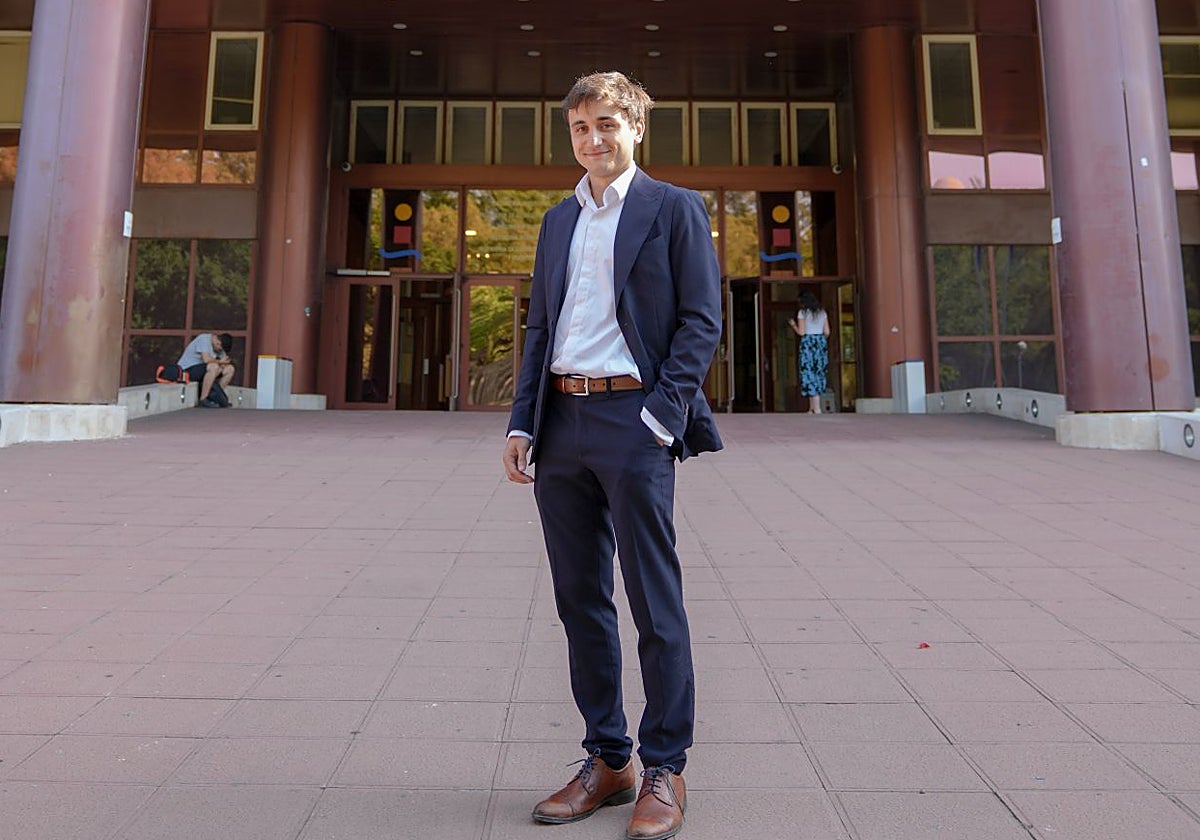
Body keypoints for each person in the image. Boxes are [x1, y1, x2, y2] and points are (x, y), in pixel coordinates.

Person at [502, 71, 722, 840]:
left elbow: (701, 322)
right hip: (562, 420)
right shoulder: (560, 220)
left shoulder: (673, 210)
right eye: (580, 129)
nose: (593, 140)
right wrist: (523, 422)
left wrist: (662, 417)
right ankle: (608, 758)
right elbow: (541, 327)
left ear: (634, 128)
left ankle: (665, 767)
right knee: (580, 601)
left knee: (653, 599)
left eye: (606, 125)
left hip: (636, 418)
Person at [787, 291, 830, 413]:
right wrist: (820, 339)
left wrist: (793, 325)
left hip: (808, 343)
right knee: (819, 371)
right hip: (820, 342)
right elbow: (827, 332)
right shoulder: (822, 312)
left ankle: (816, 407)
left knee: (809, 372)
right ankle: (812, 407)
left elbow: (801, 332)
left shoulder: (803, 313)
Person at [177, 332, 235, 408]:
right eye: (220, 349)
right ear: (218, 343)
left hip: (204, 370)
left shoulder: (219, 350)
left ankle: (215, 396)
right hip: (187, 370)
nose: (220, 352)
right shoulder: (204, 339)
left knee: (230, 369)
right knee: (214, 367)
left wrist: (224, 364)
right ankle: (203, 399)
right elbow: (206, 359)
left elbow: (222, 363)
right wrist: (221, 362)